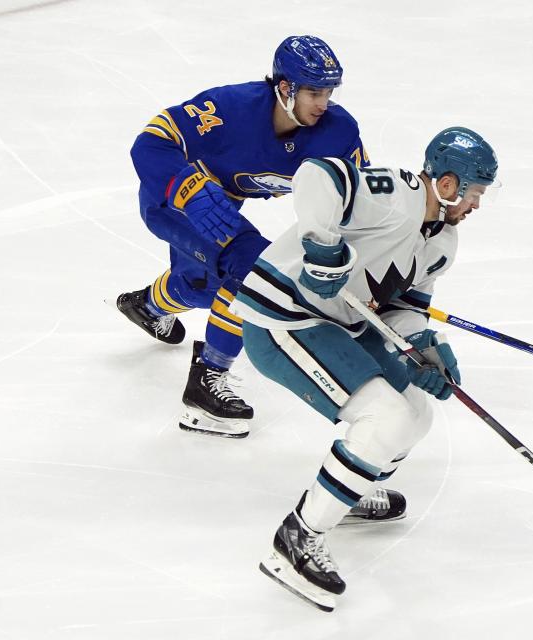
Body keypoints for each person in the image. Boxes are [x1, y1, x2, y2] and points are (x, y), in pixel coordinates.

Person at [230, 126, 499, 611]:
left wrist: (422, 346)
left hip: (338, 324)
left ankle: (349, 492)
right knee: (385, 419)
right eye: (475, 191)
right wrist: (321, 247)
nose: (477, 203)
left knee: (416, 413)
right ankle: (297, 538)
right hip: (282, 319)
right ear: (448, 182)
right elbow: (317, 177)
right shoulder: (397, 194)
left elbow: (403, 307)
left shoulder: (443, 243)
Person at [115, 35, 369, 439]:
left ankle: (149, 305)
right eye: (314, 92)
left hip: (226, 206)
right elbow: (149, 143)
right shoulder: (229, 109)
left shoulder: (337, 132)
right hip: (176, 202)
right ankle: (206, 385)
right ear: (285, 88)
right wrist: (186, 186)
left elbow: (356, 200)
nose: (323, 104)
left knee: (203, 287)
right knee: (253, 273)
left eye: (329, 92)